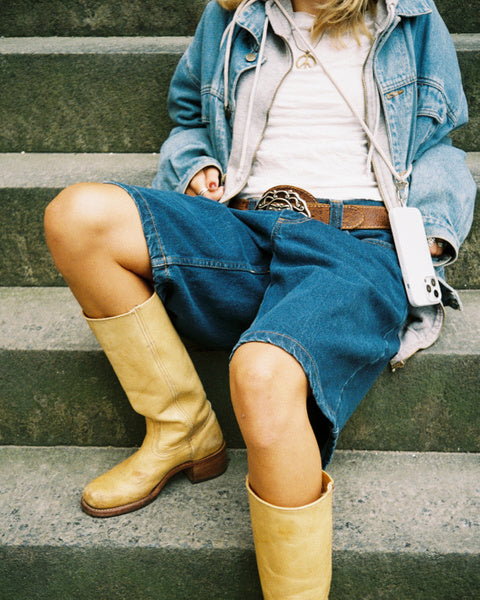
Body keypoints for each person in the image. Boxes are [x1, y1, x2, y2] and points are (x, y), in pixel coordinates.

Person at [43, 0, 475, 597]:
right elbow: (190, 116)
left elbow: (438, 143)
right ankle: (181, 428)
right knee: (78, 217)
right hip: (244, 225)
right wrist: (195, 165)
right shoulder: (235, 15)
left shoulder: (409, 18)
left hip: (358, 243)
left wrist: (433, 232)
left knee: (262, 373)